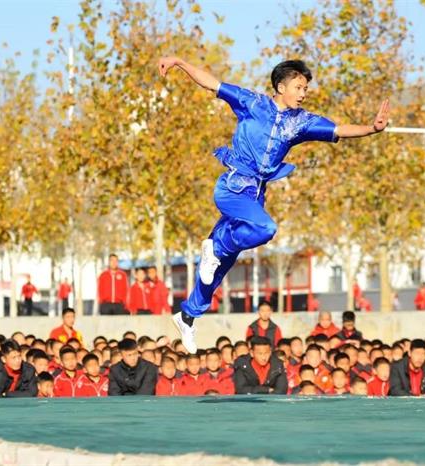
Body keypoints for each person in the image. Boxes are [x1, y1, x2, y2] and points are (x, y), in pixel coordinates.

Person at [159, 57, 390, 353]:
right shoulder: (252, 103)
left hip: (255, 196)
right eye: (299, 87)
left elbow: (339, 130)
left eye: (305, 88)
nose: (303, 93)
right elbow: (211, 83)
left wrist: (371, 128)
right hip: (232, 188)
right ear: (281, 87)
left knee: (217, 270)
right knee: (265, 228)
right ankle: (215, 247)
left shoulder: (301, 121)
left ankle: (188, 315)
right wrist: (179, 61)